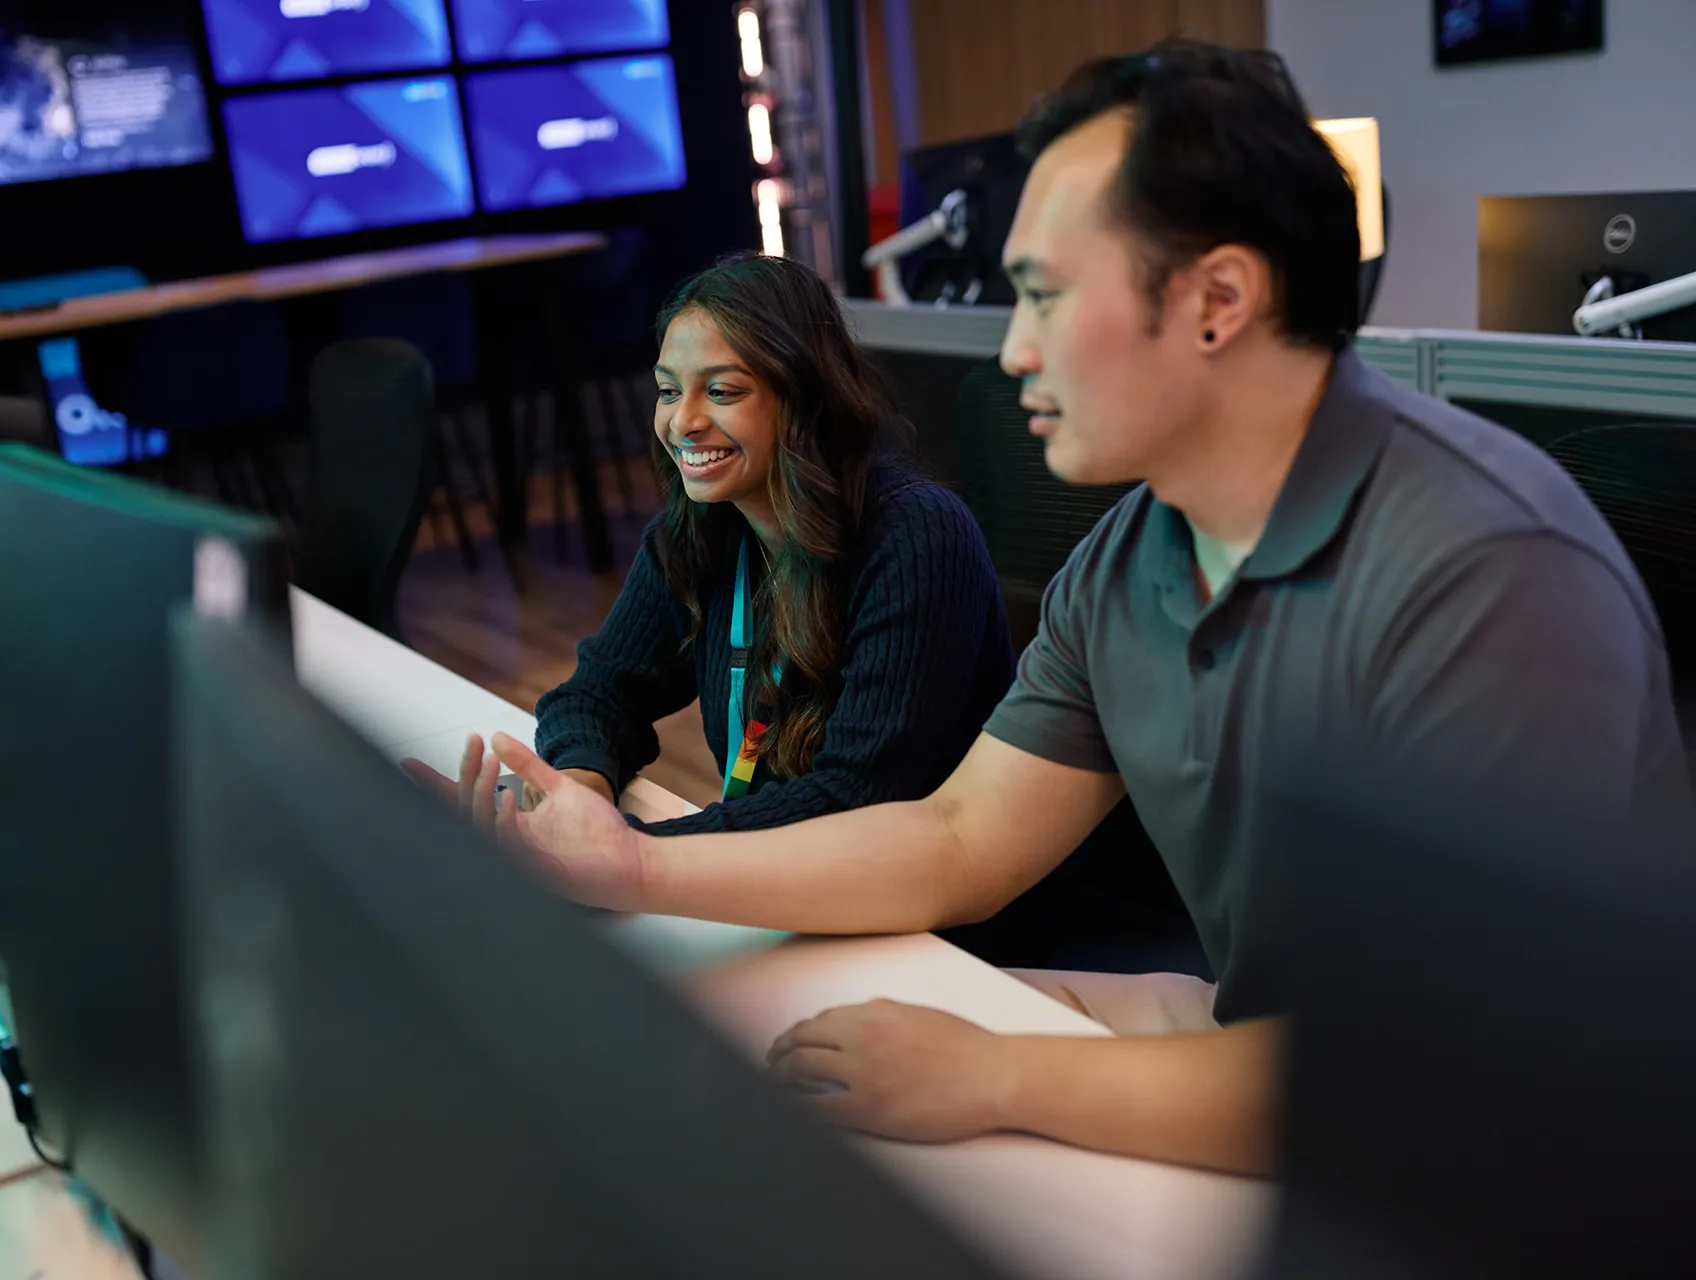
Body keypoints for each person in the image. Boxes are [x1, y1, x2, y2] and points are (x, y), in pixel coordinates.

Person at [469, 39, 1692, 1176]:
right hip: (1276, 1038)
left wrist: (1002, 1070)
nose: (1010, 352)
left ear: (1217, 299)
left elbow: (1449, 1082)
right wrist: (627, 864)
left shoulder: (1489, 576)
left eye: (1044, 296)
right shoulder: (1131, 558)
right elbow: (958, 838)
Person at [418, 251, 1016, 837]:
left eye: (722, 392)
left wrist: (626, 854)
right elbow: (598, 692)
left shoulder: (915, 536)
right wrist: (578, 795)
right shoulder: (702, 532)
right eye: (669, 391)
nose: (682, 423)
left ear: (806, 398)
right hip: (790, 885)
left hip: (941, 925)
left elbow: (860, 798)